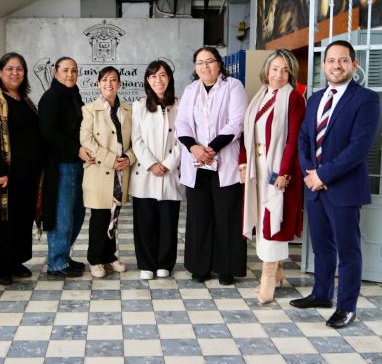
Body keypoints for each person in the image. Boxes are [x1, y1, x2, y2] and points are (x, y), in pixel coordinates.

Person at [291, 40, 380, 329]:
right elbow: (304, 138)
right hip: (314, 187)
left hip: (343, 188)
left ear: (354, 64)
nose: (336, 65)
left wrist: (323, 175)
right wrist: (309, 172)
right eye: (331, 60)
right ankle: (321, 294)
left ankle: (346, 307)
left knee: (348, 251)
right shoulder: (315, 98)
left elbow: (358, 148)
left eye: (343, 60)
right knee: (322, 246)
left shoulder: (366, 99)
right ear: (323, 65)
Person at [175, 46, 248, 285]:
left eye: (209, 61)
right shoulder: (190, 90)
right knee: (199, 216)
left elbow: (236, 122)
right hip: (196, 163)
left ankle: (226, 268)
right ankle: (200, 267)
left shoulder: (233, 86)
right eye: (200, 62)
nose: (204, 66)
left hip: (224, 162)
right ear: (195, 67)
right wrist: (195, 148)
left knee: (227, 216)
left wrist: (211, 149)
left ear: (219, 64)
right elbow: (182, 123)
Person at [240, 49, 305, 303]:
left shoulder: (294, 99)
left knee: (273, 218)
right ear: (266, 70)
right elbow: (246, 133)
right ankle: (277, 270)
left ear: (291, 73)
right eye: (275, 69)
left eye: (285, 70)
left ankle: (268, 276)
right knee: (261, 217)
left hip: (278, 169)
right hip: (257, 167)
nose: (279, 75)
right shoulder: (261, 95)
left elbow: (293, 139)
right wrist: (243, 163)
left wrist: (284, 172)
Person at [0, 52, 43, 285]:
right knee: (3, 220)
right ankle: (0, 267)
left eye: (20, 69)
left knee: (22, 218)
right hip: (4, 175)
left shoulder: (25, 100)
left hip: (28, 174)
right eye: (10, 68)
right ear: (0, 71)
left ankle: (15, 260)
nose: (15, 73)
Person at [39, 57, 94, 278]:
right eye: (65, 70)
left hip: (76, 163)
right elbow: (48, 131)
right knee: (62, 215)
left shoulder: (73, 94)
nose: (70, 74)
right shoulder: (51, 97)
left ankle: (64, 256)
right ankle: (56, 263)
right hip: (61, 164)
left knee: (76, 213)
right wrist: (76, 149)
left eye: (73, 70)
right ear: (55, 72)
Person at [129, 60, 183, 280]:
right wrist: (152, 164)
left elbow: (183, 139)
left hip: (170, 172)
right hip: (145, 172)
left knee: (168, 221)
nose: (158, 80)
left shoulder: (180, 105)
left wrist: (168, 163)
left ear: (169, 78)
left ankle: (165, 263)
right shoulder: (139, 106)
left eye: (162, 75)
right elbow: (136, 139)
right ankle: (146, 263)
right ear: (147, 81)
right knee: (145, 221)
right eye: (153, 76)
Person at [80, 66, 135, 278]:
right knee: (100, 217)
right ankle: (95, 259)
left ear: (119, 84)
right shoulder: (89, 110)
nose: (108, 84)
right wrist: (111, 160)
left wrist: (129, 158)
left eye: (113, 80)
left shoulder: (128, 111)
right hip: (99, 171)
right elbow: (86, 140)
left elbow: (136, 140)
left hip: (121, 172)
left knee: (114, 215)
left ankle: (109, 255)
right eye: (104, 80)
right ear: (98, 84)